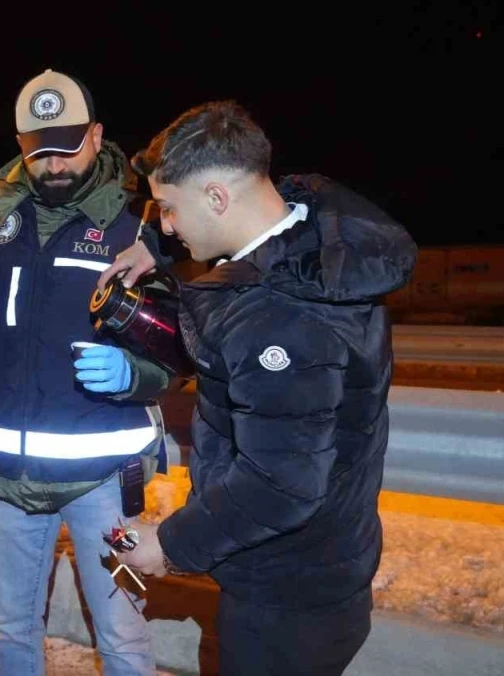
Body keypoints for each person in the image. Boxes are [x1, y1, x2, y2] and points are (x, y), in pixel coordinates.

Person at [113, 100, 417, 676]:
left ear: (217, 198)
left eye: (169, 209)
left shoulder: (277, 317)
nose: (167, 225)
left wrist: (170, 546)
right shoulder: (316, 243)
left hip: (285, 596)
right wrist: (154, 245)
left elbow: (280, 486)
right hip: (326, 568)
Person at [0, 69, 175, 676]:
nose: (55, 165)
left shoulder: (137, 227)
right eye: (40, 152)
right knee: (15, 630)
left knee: (123, 635)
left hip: (105, 485)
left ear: (97, 136)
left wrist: (134, 372)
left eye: (67, 147)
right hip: (6, 481)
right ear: (21, 146)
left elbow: (180, 346)